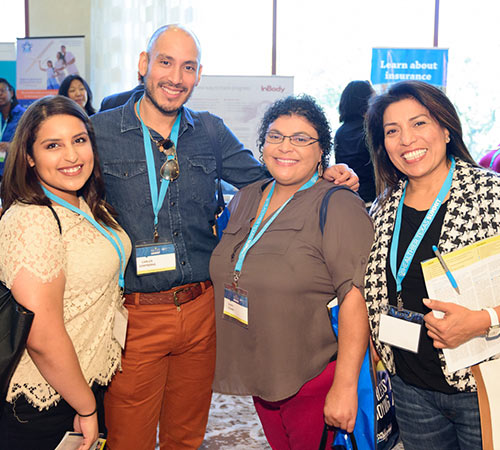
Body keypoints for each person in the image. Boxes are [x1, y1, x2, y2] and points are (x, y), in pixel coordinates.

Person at [90, 24, 359, 450]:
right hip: (135, 314)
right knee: (129, 438)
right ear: (143, 64)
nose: (176, 77)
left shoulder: (211, 132)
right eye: (165, 62)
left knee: (186, 434)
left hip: (202, 311)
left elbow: (268, 176)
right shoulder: (99, 133)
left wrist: (324, 172)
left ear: (198, 76)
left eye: (188, 67)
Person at [210, 95, 374, 450]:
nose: (286, 146)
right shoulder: (246, 198)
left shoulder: (338, 203)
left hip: (313, 376)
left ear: (321, 152)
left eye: (301, 138)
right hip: (262, 368)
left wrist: (344, 387)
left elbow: (355, 297)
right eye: (275, 136)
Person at [364, 80, 500, 450]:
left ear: (445, 128)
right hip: (409, 386)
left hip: (480, 382)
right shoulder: (381, 208)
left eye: (419, 123)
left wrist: (482, 320)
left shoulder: (491, 195)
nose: (407, 139)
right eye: (393, 131)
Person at [0, 95, 131, 450]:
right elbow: (40, 336)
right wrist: (86, 407)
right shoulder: (33, 219)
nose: (72, 156)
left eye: (79, 140)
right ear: (29, 156)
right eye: (53, 145)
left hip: (81, 383)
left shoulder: (82, 201)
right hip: (43, 400)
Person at [334, 80, 376, 206]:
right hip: (371, 200)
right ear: (366, 101)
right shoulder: (371, 130)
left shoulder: (340, 132)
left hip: (347, 197)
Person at [0, 78, 26, 179]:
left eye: (2, 90)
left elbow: (32, 142)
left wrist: (11, 146)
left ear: (11, 92)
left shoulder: (23, 115)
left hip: (16, 172)